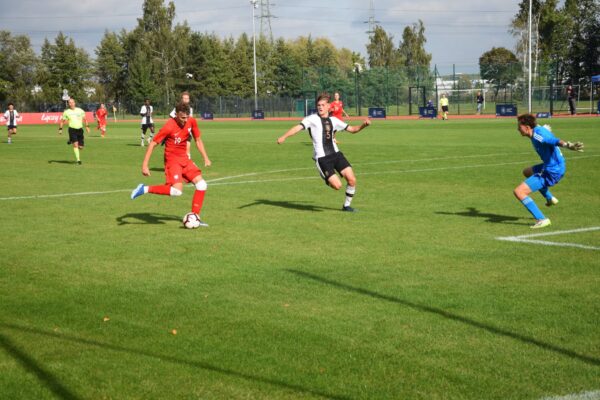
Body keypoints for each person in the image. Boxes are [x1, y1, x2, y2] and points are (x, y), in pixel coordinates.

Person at [277, 92, 370, 212]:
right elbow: (297, 128)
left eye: (322, 105)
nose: (320, 107)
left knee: (352, 180)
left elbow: (352, 129)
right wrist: (284, 137)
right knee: (337, 186)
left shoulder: (334, 120)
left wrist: (364, 125)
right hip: (322, 158)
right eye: (318, 105)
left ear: (328, 106)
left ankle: (346, 206)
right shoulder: (311, 119)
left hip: (336, 154)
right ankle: (326, 176)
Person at [130, 102, 211, 226]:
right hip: (172, 161)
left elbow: (198, 140)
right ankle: (144, 189)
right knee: (177, 191)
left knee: (202, 185)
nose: (185, 120)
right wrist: (145, 165)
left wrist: (205, 157)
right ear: (176, 115)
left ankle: (195, 216)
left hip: (184, 159)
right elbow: (153, 144)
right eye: (182, 118)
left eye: (187, 117)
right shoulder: (169, 126)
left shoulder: (191, 121)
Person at [513, 113, 584, 229]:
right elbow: (544, 133)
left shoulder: (537, 136)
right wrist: (545, 129)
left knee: (519, 192)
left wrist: (567, 145)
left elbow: (553, 140)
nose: (517, 129)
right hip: (554, 165)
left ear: (527, 127)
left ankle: (542, 219)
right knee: (527, 172)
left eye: (519, 126)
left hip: (552, 171)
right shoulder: (537, 130)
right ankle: (550, 198)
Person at [59, 98, 90, 165]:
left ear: (74, 103)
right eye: (70, 103)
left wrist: (87, 127)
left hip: (80, 130)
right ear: (68, 104)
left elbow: (85, 119)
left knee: (81, 147)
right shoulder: (66, 112)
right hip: (72, 130)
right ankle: (78, 160)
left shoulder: (80, 110)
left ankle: (70, 139)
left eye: (72, 102)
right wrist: (60, 129)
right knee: (75, 145)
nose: (71, 104)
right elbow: (62, 121)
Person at [170, 91, 193, 158]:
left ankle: (187, 162)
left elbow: (190, 119)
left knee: (187, 148)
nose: (186, 100)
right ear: (181, 99)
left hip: (187, 131)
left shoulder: (190, 109)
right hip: (178, 132)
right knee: (178, 149)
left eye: (187, 98)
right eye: (184, 98)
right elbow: (171, 115)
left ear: (189, 100)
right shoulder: (177, 108)